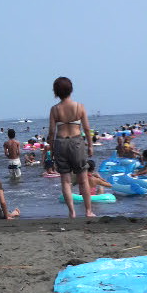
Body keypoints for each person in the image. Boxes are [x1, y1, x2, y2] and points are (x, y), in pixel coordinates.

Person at [47, 76, 95, 218]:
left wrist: (51, 149)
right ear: (71, 89)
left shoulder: (55, 109)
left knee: (66, 181)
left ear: (56, 92)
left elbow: (51, 132)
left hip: (61, 142)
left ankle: (72, 212)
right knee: (83, 179)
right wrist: (90, 146)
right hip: (76, 142)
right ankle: (88, 211)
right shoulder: (79, 107)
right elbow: (86, 129)